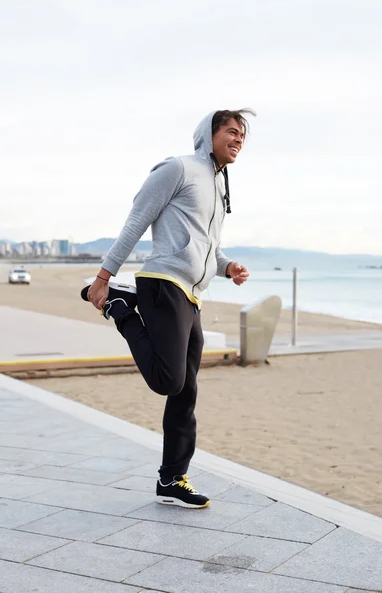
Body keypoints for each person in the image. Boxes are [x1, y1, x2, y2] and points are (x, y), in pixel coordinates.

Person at [81, 109, 253, 508]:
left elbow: (207, 244)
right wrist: (104, 278)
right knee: (167, 381)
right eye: (231, 131)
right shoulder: (178, 169)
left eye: (242, 135)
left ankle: (171, 480)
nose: (238, 139)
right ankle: (122, 307)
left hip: (190, 294)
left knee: (185, 392)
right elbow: (137, 220)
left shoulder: (218, 185)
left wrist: (227, 267)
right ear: (207, 135)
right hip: (164, 283)